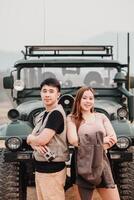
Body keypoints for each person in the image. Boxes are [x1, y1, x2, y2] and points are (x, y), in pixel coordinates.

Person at [67, 86, 120, 200]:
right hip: (81, 163)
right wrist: (101, 141)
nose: (88, 101)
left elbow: (113, 138)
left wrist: (91, 143)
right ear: (78, 100)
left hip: (101, 161)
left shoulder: (101, 117)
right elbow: (74, 141)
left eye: (91, 98)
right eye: (84, 98)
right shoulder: (72, 118)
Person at [27, 78, 69, 200]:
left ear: (58, 95)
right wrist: (34, 143)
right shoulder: (43, 114)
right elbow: (37, 141)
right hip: (41, 168)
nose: (47, 94)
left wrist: (30, 138)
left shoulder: (56, 114)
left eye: (51, 91)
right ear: (40, 93)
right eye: (44, 91)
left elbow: (41, 140)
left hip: (52, 170)